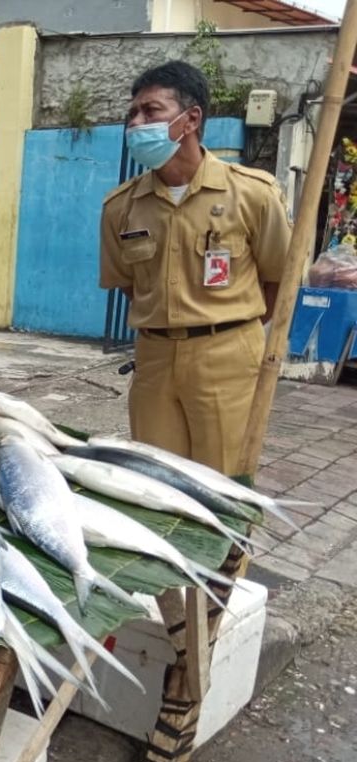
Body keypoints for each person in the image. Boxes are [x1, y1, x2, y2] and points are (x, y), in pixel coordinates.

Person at [99, 61, 291, 475]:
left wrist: (225, 327)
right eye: (132, 114)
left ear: (191, 119)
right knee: (155, 480)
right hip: (153, 357)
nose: (136, 123)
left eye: (151, 111)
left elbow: (279, 279)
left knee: (226, 479)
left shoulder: (252, 195)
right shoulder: (121, 207)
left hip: (226, 353)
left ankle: (232, 544)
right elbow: (131, 286)